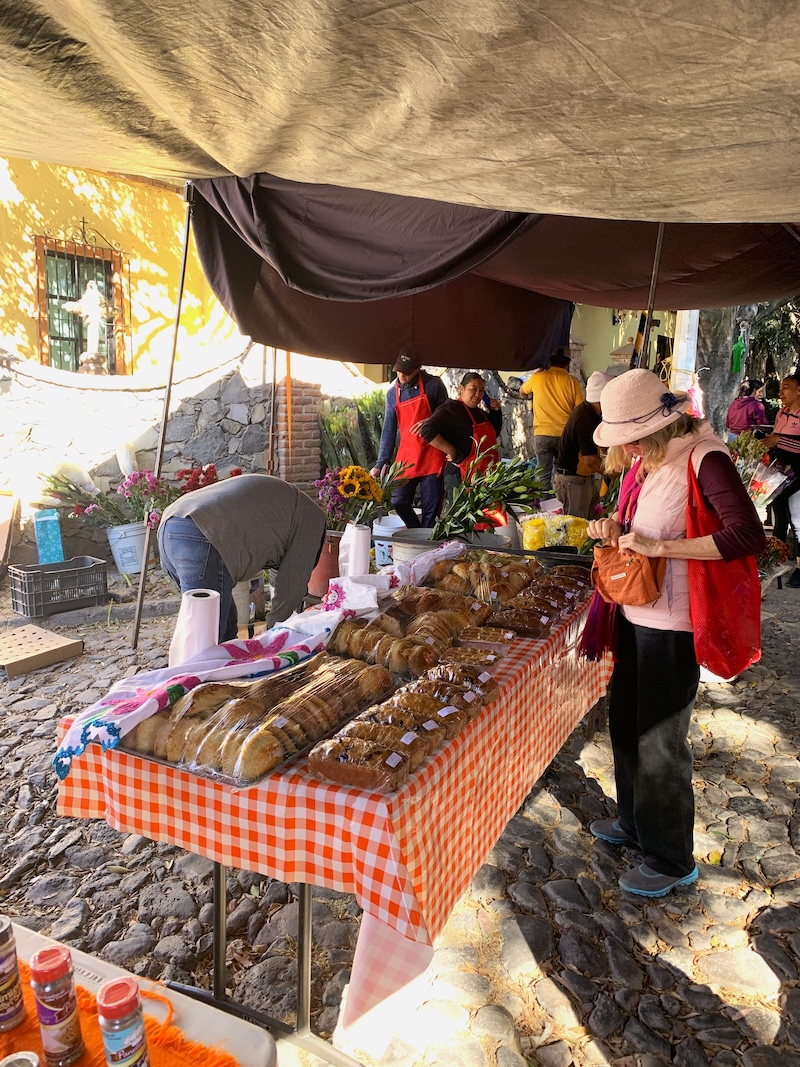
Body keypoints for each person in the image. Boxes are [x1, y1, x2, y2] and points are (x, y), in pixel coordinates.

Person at [586, 369, 765, 897]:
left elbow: (745, 535)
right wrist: (615, 531)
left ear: (656, 424)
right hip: (637, 613)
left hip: (676, 622)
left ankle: (670, 859)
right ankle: (635, 823)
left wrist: (663, 549)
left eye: (630, 436)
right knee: (624, 722)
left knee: (661, 741)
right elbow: (645, 531)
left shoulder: (706, 458)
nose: (627, 447)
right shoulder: (649, 463)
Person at [157, 474, 326, 643]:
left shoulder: (289, 506)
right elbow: (290, 588)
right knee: (208, 642)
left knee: (226, 629)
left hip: (171, 525)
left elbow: (281, 578)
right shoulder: (312, 521)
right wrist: (272, 638)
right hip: (203, 535)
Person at [370, 348, 448, 527]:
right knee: (399, 501)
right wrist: (380, 463)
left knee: (431, 510)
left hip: (432, 455)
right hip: (407, 457)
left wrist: (431, 420)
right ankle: (416, 532)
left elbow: (449, 412)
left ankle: (425, 543)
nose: (402, 376)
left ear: (418, 368)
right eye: (399, 370)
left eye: (407, 372)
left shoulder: (433, 385)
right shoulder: (392, 394)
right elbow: (388, 430)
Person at [415, 372, 502, 479]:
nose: (477, 394)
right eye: (473, 389)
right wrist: (451, 450)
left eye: (481, 390)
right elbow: (427, 430)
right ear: (462, 388)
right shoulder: (451, 409)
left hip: (487, 476)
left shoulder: (480, 413)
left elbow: (494, 434)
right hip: (461, 477)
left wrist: (496, 412)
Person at [520, 347, 584, 487]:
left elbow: (522, 391)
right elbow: (580, 409)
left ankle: (544, 506)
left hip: (542, 434)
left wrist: (538, 372)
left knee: (543, 475)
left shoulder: (538, 378)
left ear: (549, 361)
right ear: (567, 363)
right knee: (563, 475)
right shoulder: (573, 382)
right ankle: (561, 505)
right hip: (564, 436)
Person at [553, 371, 612, 518]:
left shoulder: (591, 412)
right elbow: (590, 460)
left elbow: (601, 442)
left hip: (583, 478)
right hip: (573, 480)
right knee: (577, 528)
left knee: (592, 522)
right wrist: (612, 471)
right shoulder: (586, 418)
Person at [763, 371, 800, 588]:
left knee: (798, 521)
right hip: (779, 474)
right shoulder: (781, 413)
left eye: (786, 387)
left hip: (798, 477)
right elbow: (777, 442)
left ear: (798, 390)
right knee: (778, 519)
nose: (781, 391)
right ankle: (773, 563)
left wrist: (780, 440)